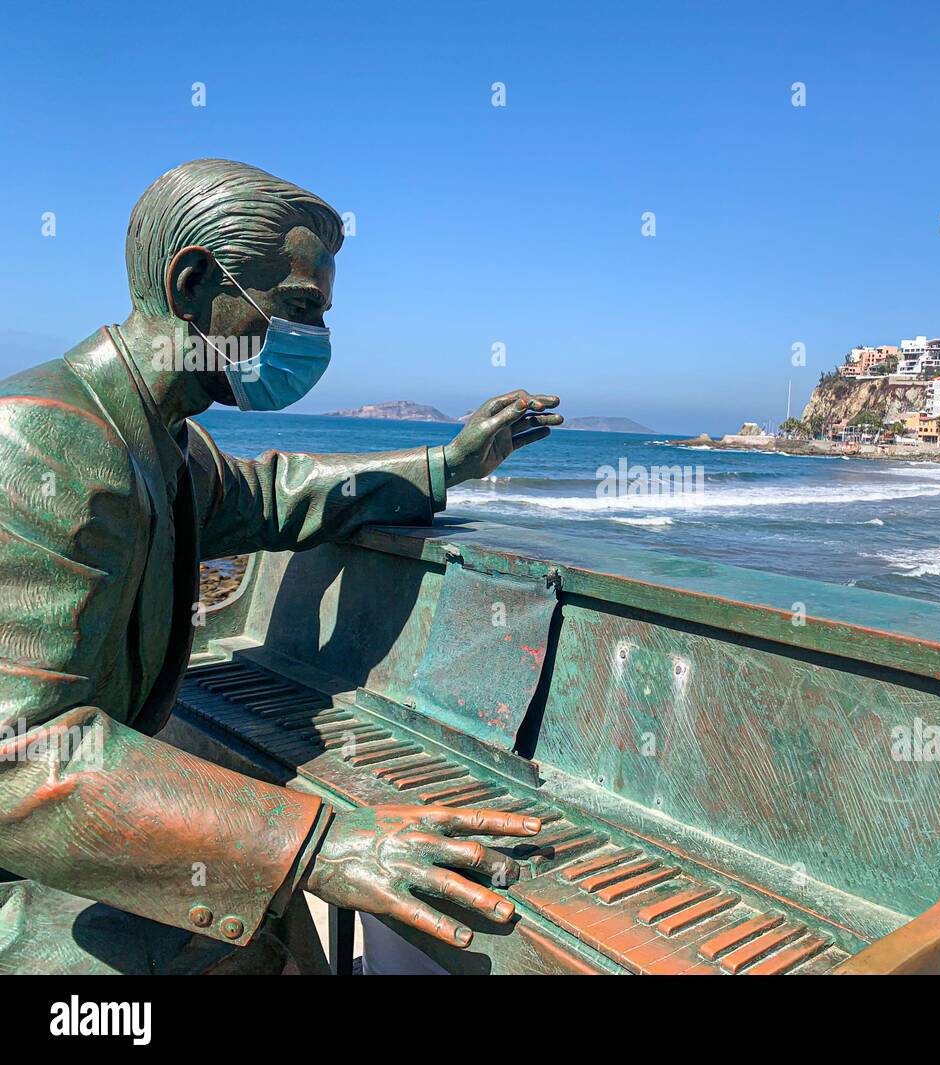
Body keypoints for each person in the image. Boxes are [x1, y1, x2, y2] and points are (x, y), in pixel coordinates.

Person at [0, 159, 561, 974]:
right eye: (298, 308)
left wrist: (448, 463)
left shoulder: (166, 442)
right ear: (193, 286)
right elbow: (19, 753)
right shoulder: (47, 435)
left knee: (265, 920)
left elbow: (273, 495)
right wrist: (319, 843)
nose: (314, 339)